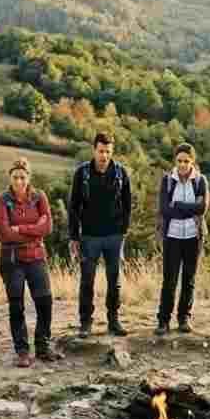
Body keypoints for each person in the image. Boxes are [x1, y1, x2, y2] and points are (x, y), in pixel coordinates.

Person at [0, 158, 63, 367]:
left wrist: (21, 229)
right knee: (17, 306)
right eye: (15, 177)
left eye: (23, 177)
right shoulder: (3, 200)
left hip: (36, 257)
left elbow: (48, 227)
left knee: (45, 301)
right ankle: (22, 351)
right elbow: (5, 233)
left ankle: (42, 346)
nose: (19, 181)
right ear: (10, 177)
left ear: (29, 177)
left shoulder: (39, 197)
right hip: (12, 259)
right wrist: (34, 229)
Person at [68, 132, 133, 338]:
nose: (104, 155)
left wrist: (123, 231)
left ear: (112, 152)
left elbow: (128, 205)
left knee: (115, 280)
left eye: (107, 151)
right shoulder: (82, 173)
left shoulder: (121, 173)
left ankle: (113, 320)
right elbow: (73, 206)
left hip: (114, 236)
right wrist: (74, 236)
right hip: (89, 236)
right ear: (94, 150)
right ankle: (86, 322)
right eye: (100, 151)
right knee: (87, 280)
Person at [155, 143, 209, 335]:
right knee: (169, 280)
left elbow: (202, 209)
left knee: (189, 279)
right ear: (175, 161)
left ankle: (184, 318)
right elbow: (164, 209)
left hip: (193, 237)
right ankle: (163, 320)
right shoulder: (168, 181)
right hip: (172, 236)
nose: (183, 165)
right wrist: (189, 207)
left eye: (186, 161)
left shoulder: (200, 181)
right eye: (179, 161)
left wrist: (177, 205)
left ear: (192, 161)